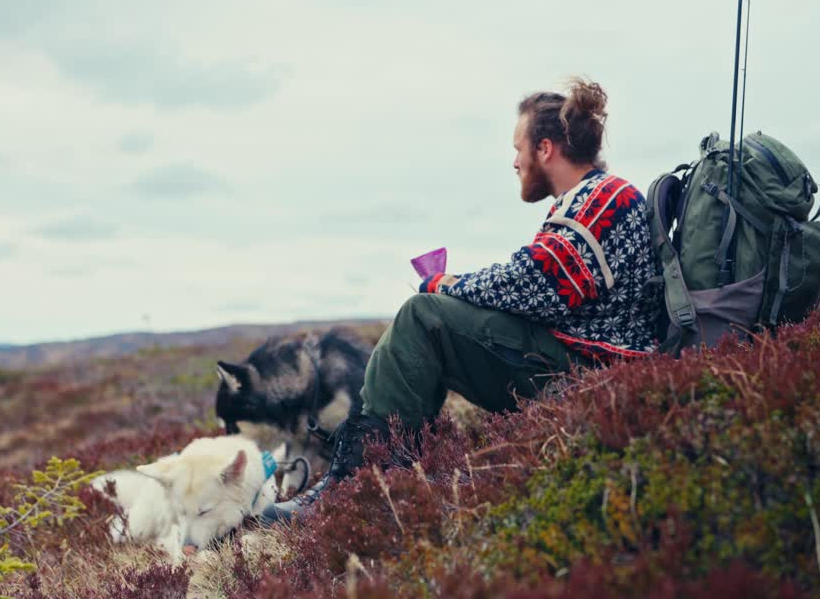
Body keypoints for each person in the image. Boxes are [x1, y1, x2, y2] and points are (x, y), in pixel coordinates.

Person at [262, 77, 660, 524]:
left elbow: (534, 286)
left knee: (423, 315)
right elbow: (539, 282)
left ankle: (351, 491)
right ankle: (384, 475)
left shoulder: (600, 198)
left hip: (588, 377)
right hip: (587, 366)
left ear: (545, 148)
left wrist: (445, 286)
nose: (514, 162)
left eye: (518, 148)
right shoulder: (594, 198)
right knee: (430, 322)